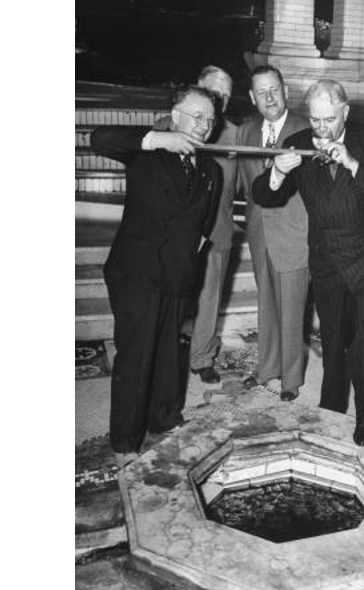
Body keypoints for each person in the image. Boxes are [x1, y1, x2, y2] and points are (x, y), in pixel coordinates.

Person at [253, 79, 364, 446]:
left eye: (329, 119)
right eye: (315, 120)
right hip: (326, 258)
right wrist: (278, 172)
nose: (321, 129)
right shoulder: (299, 144)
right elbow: (264, 197)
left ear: (345, 112)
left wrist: (351, 163)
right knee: (333, 341)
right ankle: (331, 405)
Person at [91, 87, 222, 467]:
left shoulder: (211, 169)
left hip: (178, 274)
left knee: (168, 353)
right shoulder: (146, 152)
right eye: (196, 117)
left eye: (210, 120)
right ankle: (125, 443)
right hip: (138, 273)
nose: (204, 126)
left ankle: (164, 418)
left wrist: (190, 259)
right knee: (136, 356)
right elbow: (100, 138)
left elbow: (204, 223)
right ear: (175, 115)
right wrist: (158, 139)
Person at [236, 65, 310, 402]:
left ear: (286, 92)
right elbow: (246, 184)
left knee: (292, 308)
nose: (269, 97)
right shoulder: (245, 131)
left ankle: (291, 379)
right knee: (266, 302)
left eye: (274, 90)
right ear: (252, 98)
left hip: (294, 232)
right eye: (261, 92)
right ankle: (267, 368)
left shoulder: (306, 129)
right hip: (259, 231)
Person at [187, 66, 238, 384]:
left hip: (217, 230)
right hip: (174, 232)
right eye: (214, 93)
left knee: (209, 298)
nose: (219, 101)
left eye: (225, 96)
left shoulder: (235, 135)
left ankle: (202, 357)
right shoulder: (168, 127)